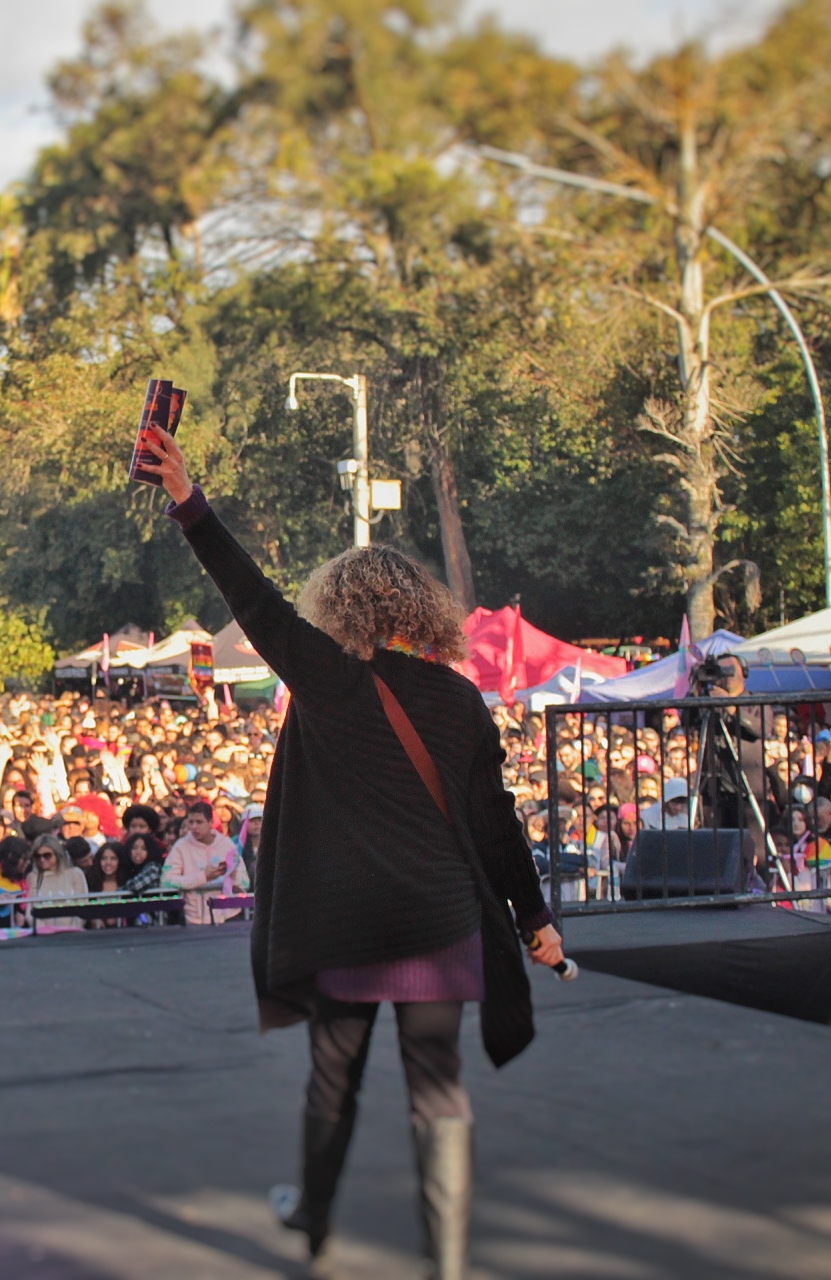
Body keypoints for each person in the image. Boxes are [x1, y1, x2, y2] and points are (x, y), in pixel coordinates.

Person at [139, 422, 559, 1275]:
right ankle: (446, 1256)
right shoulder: (459, 701)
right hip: (440, 920)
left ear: (341, 608)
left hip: (347, 923)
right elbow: (495, 825)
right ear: (422, 610)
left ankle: (314, 1221)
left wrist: (189, 500)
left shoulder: (328, 678)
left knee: (334, 1078)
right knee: (437, 1087)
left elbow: (253, 599)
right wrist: (536, 919)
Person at [163, 800, 247, 924]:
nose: (194, 827)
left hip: (228, 916)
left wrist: (234, 878)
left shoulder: (227, 844)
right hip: (194, 919)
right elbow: (166, 881)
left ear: (211, 823)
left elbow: (245, 880)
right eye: (191, 822)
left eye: (199, 822)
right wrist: (203, 877)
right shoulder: (180, 847)